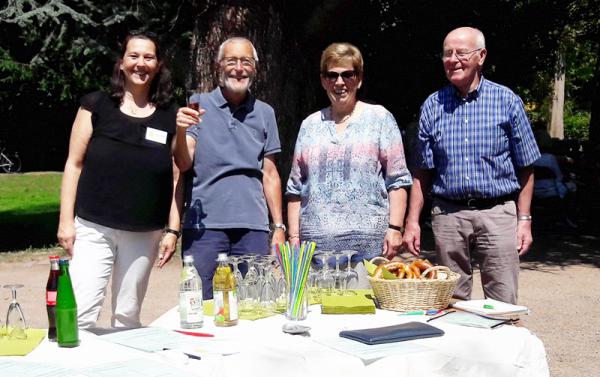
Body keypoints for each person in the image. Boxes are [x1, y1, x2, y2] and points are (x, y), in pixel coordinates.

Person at [403, 27, 540, 304]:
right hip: (448, 215)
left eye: (461, 53)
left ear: (481, 56)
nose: (453, 59)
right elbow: (422, 171)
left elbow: (526, 166)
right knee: (451, 304)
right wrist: (412, 222)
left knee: (503, 304)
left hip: (497, 214)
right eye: (447, 54)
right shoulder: (432, 105)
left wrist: (524, 219)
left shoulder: (507, 101)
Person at [57, 32, 181, 328]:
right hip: (93, 227)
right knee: (80, 313)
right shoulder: (96, 105)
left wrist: (173, 230)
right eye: (134, 56)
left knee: (127, 317)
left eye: (148, 57)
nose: (141, 63)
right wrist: (65, 221)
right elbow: (74, 164)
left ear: (158, 64)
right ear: (122, 63)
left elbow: (179, 176)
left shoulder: (170, 115)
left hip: (144, 232)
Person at [285, 42, 412, 286]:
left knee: (362, 320)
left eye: (347, 75)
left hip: (369, 253)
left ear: (359, 79)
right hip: (314, 257)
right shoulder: (309, 125)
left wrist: (395, 228)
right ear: (323, 80)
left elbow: (398, 180)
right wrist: (293, 237)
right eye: (332, 75)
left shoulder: (380, 118)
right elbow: (294, 188)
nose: (339, 82)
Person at [174, 37, 285, 299]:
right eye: (231, 61)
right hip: (205, 228)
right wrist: (180, 132)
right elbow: (183, 162)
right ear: (218, 66)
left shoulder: (265, 112)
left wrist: (278, 227)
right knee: (200, 303)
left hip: (253, 227)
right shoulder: (197, 104)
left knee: (253, 303)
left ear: (255, 68)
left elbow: (269, 174)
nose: (238, 68)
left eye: (246, 61)